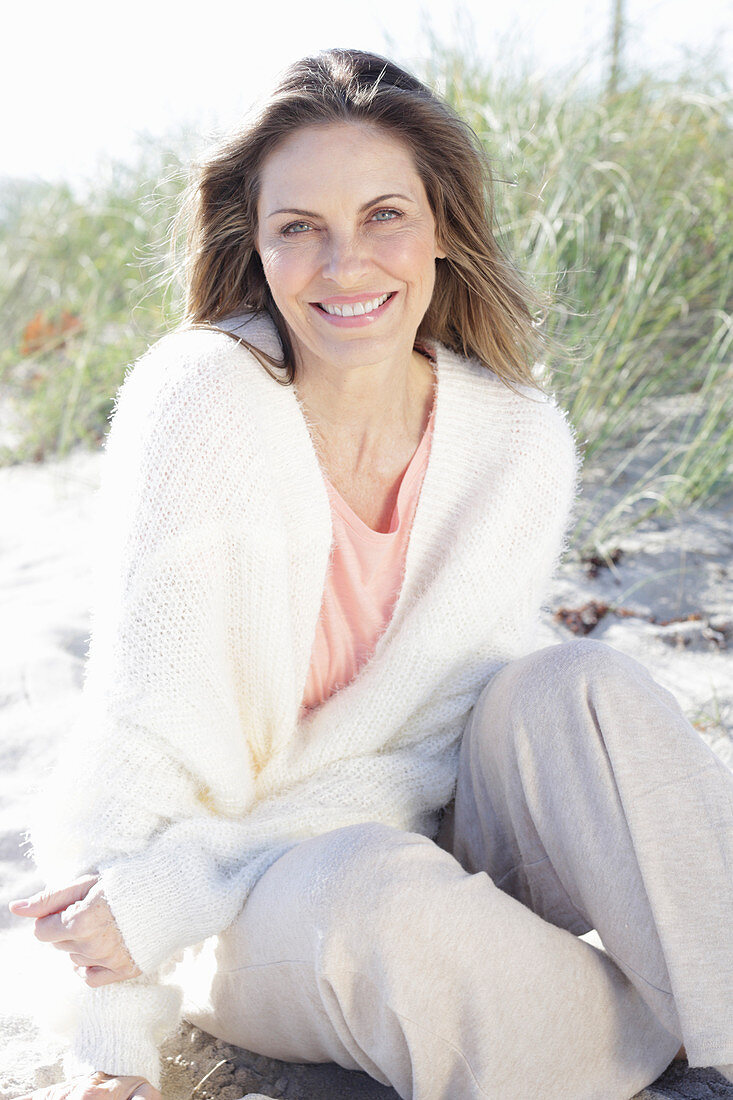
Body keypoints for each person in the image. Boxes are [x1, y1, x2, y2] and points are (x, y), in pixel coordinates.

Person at [9, 48, 733, 1100]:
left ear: (441, 225)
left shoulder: (514, 441)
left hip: (437, 831)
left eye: (383, 215)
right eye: (300, 227)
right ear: (255, 249)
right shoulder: (202, 403)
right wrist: (121, 1003)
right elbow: (138, 739)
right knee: (379, 890)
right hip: (246, 905)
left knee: (587, 685)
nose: (345, 263)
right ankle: (638, 1037)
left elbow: (439, 741)